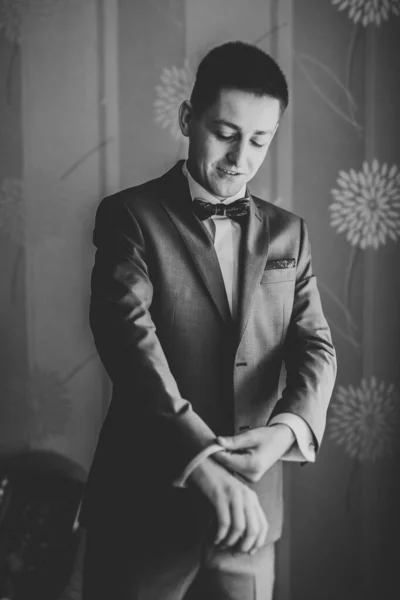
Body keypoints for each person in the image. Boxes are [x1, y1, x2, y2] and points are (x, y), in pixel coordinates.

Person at [80, 41, 337, 600]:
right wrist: (198, 459)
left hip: (251, 519)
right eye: (226, 132)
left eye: (259, 141)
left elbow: (315, 345)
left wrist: (286, 431)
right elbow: (128, 340)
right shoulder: (128, 217)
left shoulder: (291, 234)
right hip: (141, 512)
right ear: (187, 119)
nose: (241, 157)